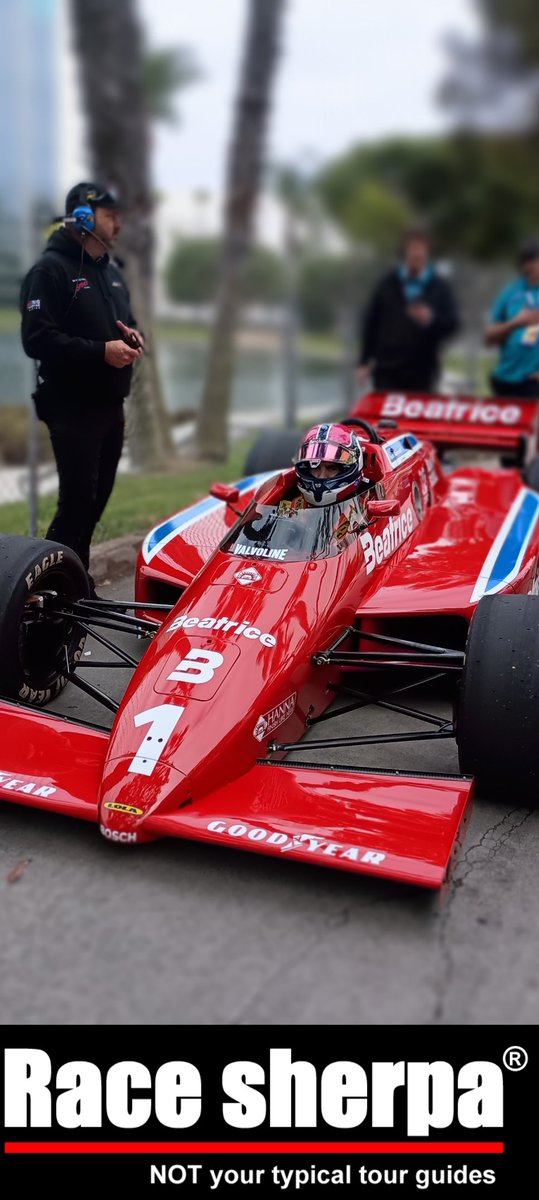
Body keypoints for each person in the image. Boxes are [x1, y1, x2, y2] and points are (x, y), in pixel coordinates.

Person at [20, 181, 144, 596]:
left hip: (111, 404)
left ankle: (75, 586)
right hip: (71, 406)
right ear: (84, 219)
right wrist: (99, 352)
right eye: (111, 216)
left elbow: (125, 324)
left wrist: (131, 338)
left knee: (93, 504)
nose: (118, 223)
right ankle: (40, 592)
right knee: (75, 505)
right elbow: (36, 339)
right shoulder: (49, 270)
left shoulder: (110, 272)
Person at [356, 229, 459, 393]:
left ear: (428, 252)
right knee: (385, 417)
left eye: (420, 249)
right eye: (411, 249)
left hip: (423, 371)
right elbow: (371, 322)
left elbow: (452, 325)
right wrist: (363, 361)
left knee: (415, 418)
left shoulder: (440, 287)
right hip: (387, 369)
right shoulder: (387, 283)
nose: (416, 254)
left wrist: (431, 320)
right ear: (404, 252)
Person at [486, 239, 539, 398]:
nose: (530, 267)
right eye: (526, 262)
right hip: (505, 379)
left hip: (533, 382)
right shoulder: (511, 291)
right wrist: (516, 322)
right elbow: (489, 336)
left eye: (534, 261)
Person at [293, 422, 367, 507]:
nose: (321, 476)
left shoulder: (367, 503)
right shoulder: (294, 505)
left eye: (332, 468)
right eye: (315, 467)